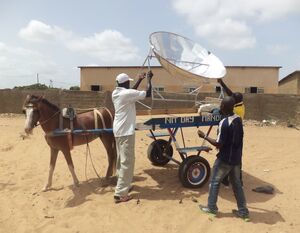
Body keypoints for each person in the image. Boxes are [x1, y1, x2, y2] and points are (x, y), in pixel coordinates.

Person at [197, 96, 249, 221]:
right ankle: (243, 211)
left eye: (221, 105)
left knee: (214, 182)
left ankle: (211, 208)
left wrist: (204, 136)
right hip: (236, 159)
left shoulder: (224, 123)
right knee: (237, 185)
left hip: (225, 159)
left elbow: (219, 144)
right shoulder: (238, 120)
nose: (220, 107)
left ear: (223, 108)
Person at [112, 71, 153, 203]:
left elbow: (130, 92)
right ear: (126, 83)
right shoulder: (126, 94)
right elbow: (148, 93)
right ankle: (120, 194)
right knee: (127, 162)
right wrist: (149, 79)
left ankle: (124, 185)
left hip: (118, 131)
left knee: (121, 160)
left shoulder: (116, 93)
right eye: (129, 82)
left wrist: (139, 80)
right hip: (126, 132)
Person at [217, 78, 245, 186]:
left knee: (229, 156)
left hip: (232, 134)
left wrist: (219, 109)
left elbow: (223, 114)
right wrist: (222, 83)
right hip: (237, 133)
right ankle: (228, 179)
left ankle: (234, 180)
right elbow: (230, 93)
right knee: (235, 156)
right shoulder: (241, 104)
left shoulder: (236, 111)